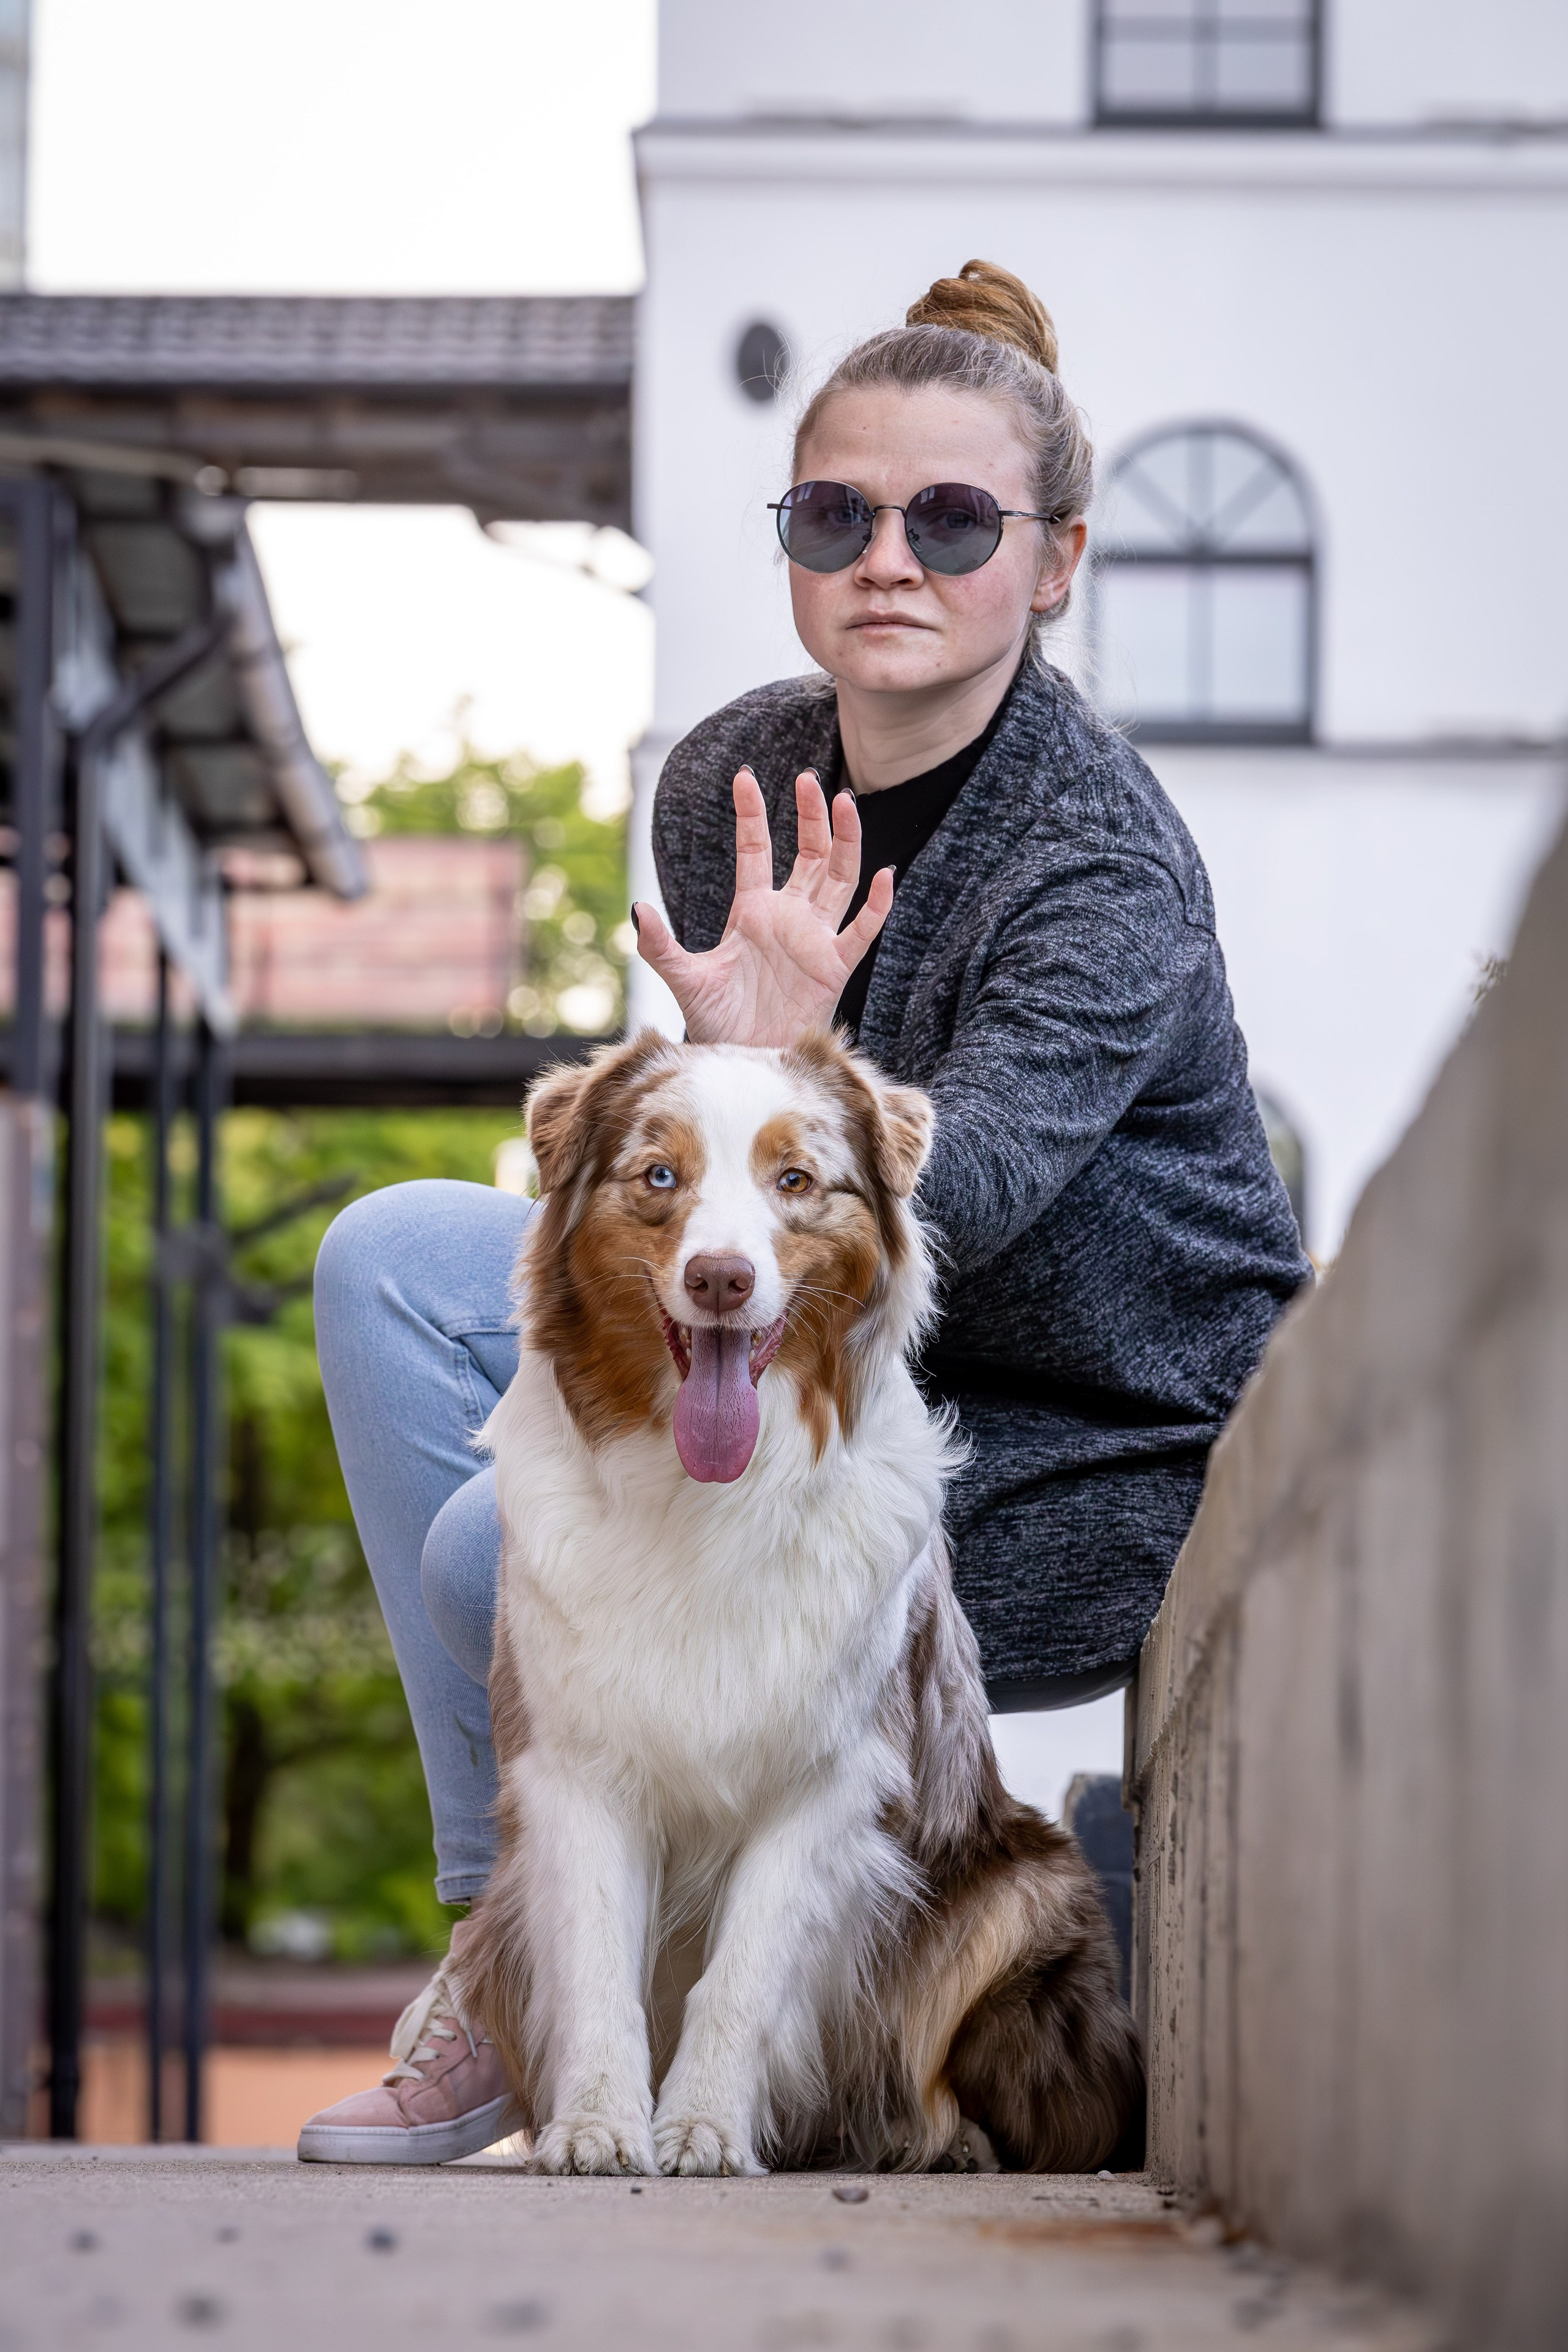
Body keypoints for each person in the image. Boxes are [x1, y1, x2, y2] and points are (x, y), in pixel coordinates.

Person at [298, 262, 1310, 2166]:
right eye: (836, 514)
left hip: (1096, 1428)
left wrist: (797, 1047)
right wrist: (731, 1083)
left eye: (953, 519)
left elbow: (975, 1196)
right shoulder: (732, 778)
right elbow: (690, 1185)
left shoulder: (1102, 857)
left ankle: (648, 1998)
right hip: (797, 1354)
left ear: (1060, 556)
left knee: (473, 1553)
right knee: (381, 1267)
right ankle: (510, 1950)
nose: (889, 560)